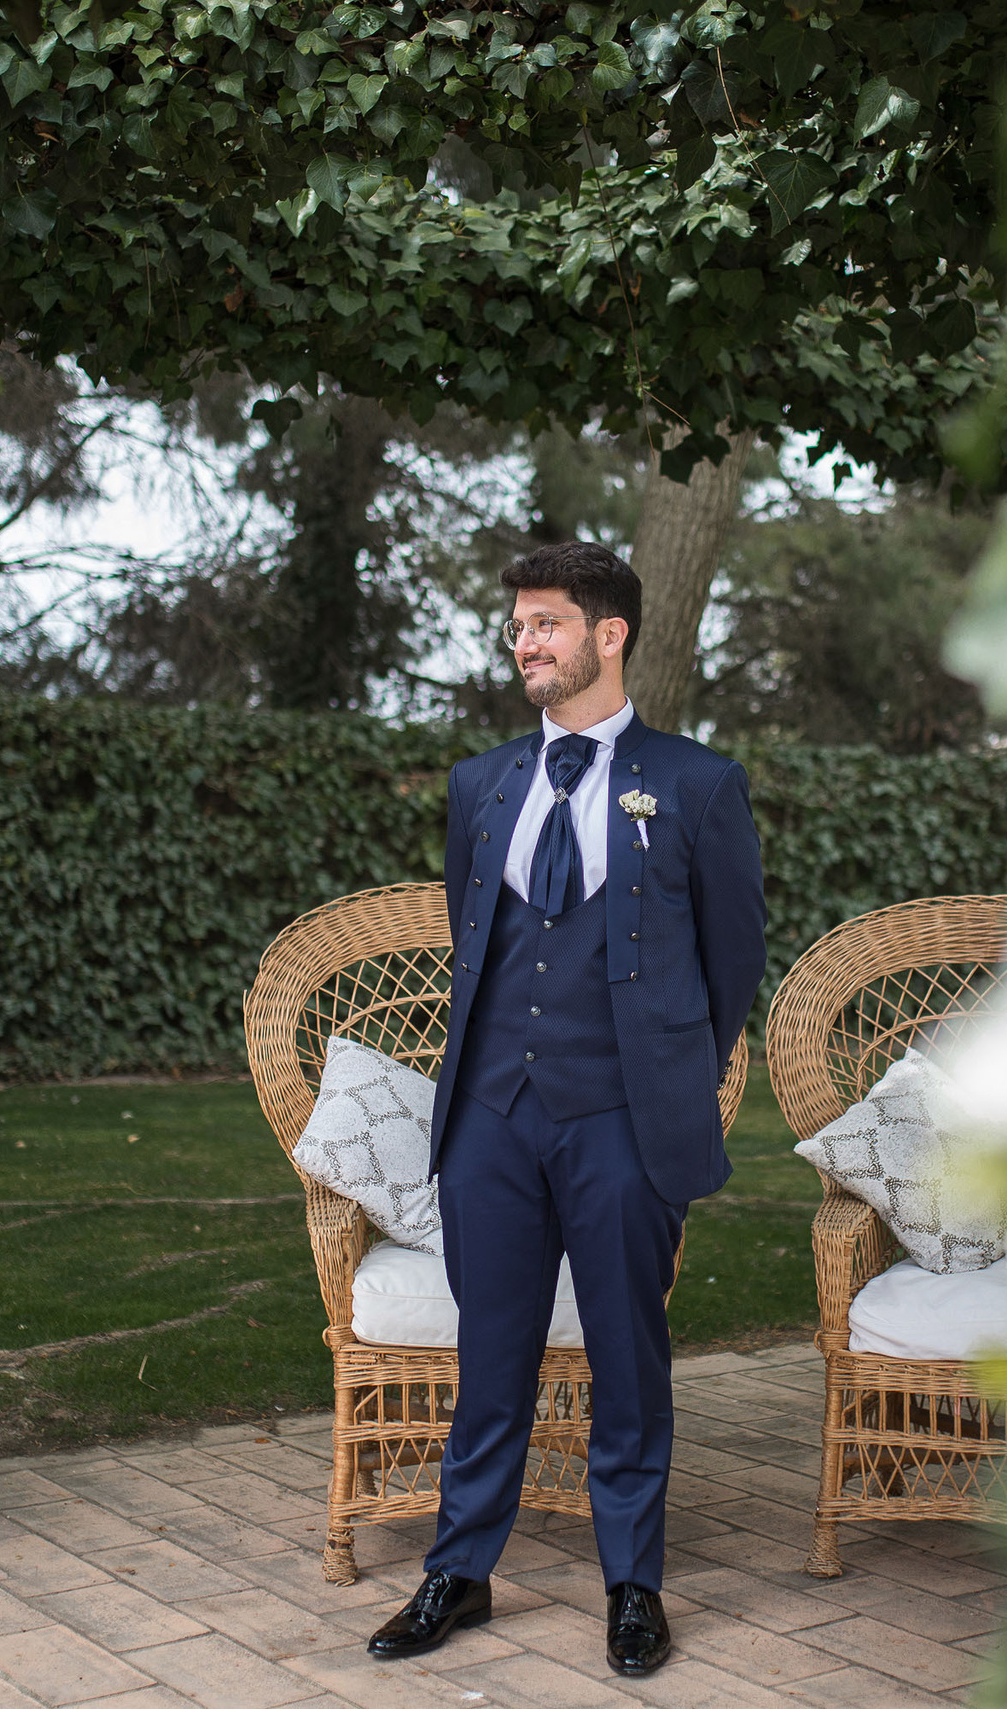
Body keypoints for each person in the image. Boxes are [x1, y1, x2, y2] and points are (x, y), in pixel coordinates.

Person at [364, 541, 768, 1677]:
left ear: (609, 634)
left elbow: (731, 960)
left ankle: (632, 1581)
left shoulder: (695, 784)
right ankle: (460, 1569)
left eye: (545, 624)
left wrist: (664, 1069)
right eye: (517, 627)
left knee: (628, 1356)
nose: (524, 644)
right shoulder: (480, 784)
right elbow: (473, 935)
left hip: (625, 1119)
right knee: (488, 1347)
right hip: (492, 1111)